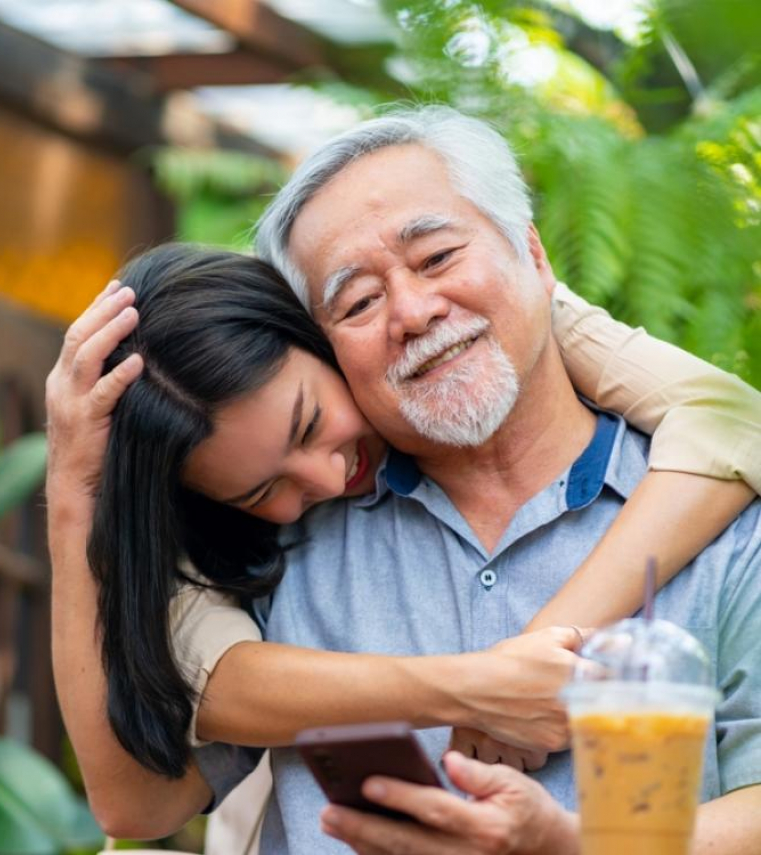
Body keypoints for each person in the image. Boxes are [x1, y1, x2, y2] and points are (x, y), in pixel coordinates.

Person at [171, 105, 761, 853]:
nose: (414, 312)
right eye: (358, 302)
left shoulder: (731, 520)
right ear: (324, 352)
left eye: (438, 258)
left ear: (535, 256)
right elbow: (143, 794)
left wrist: (574, 845)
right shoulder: (276, 539)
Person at [47, 248, 760, 846]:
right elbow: (137, 803)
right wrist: (75, 503)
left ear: (316, 330)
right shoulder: (254, 553)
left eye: (308, 424)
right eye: (261, 490)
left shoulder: (688, 495)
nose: (327, 477)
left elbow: (735, 424)